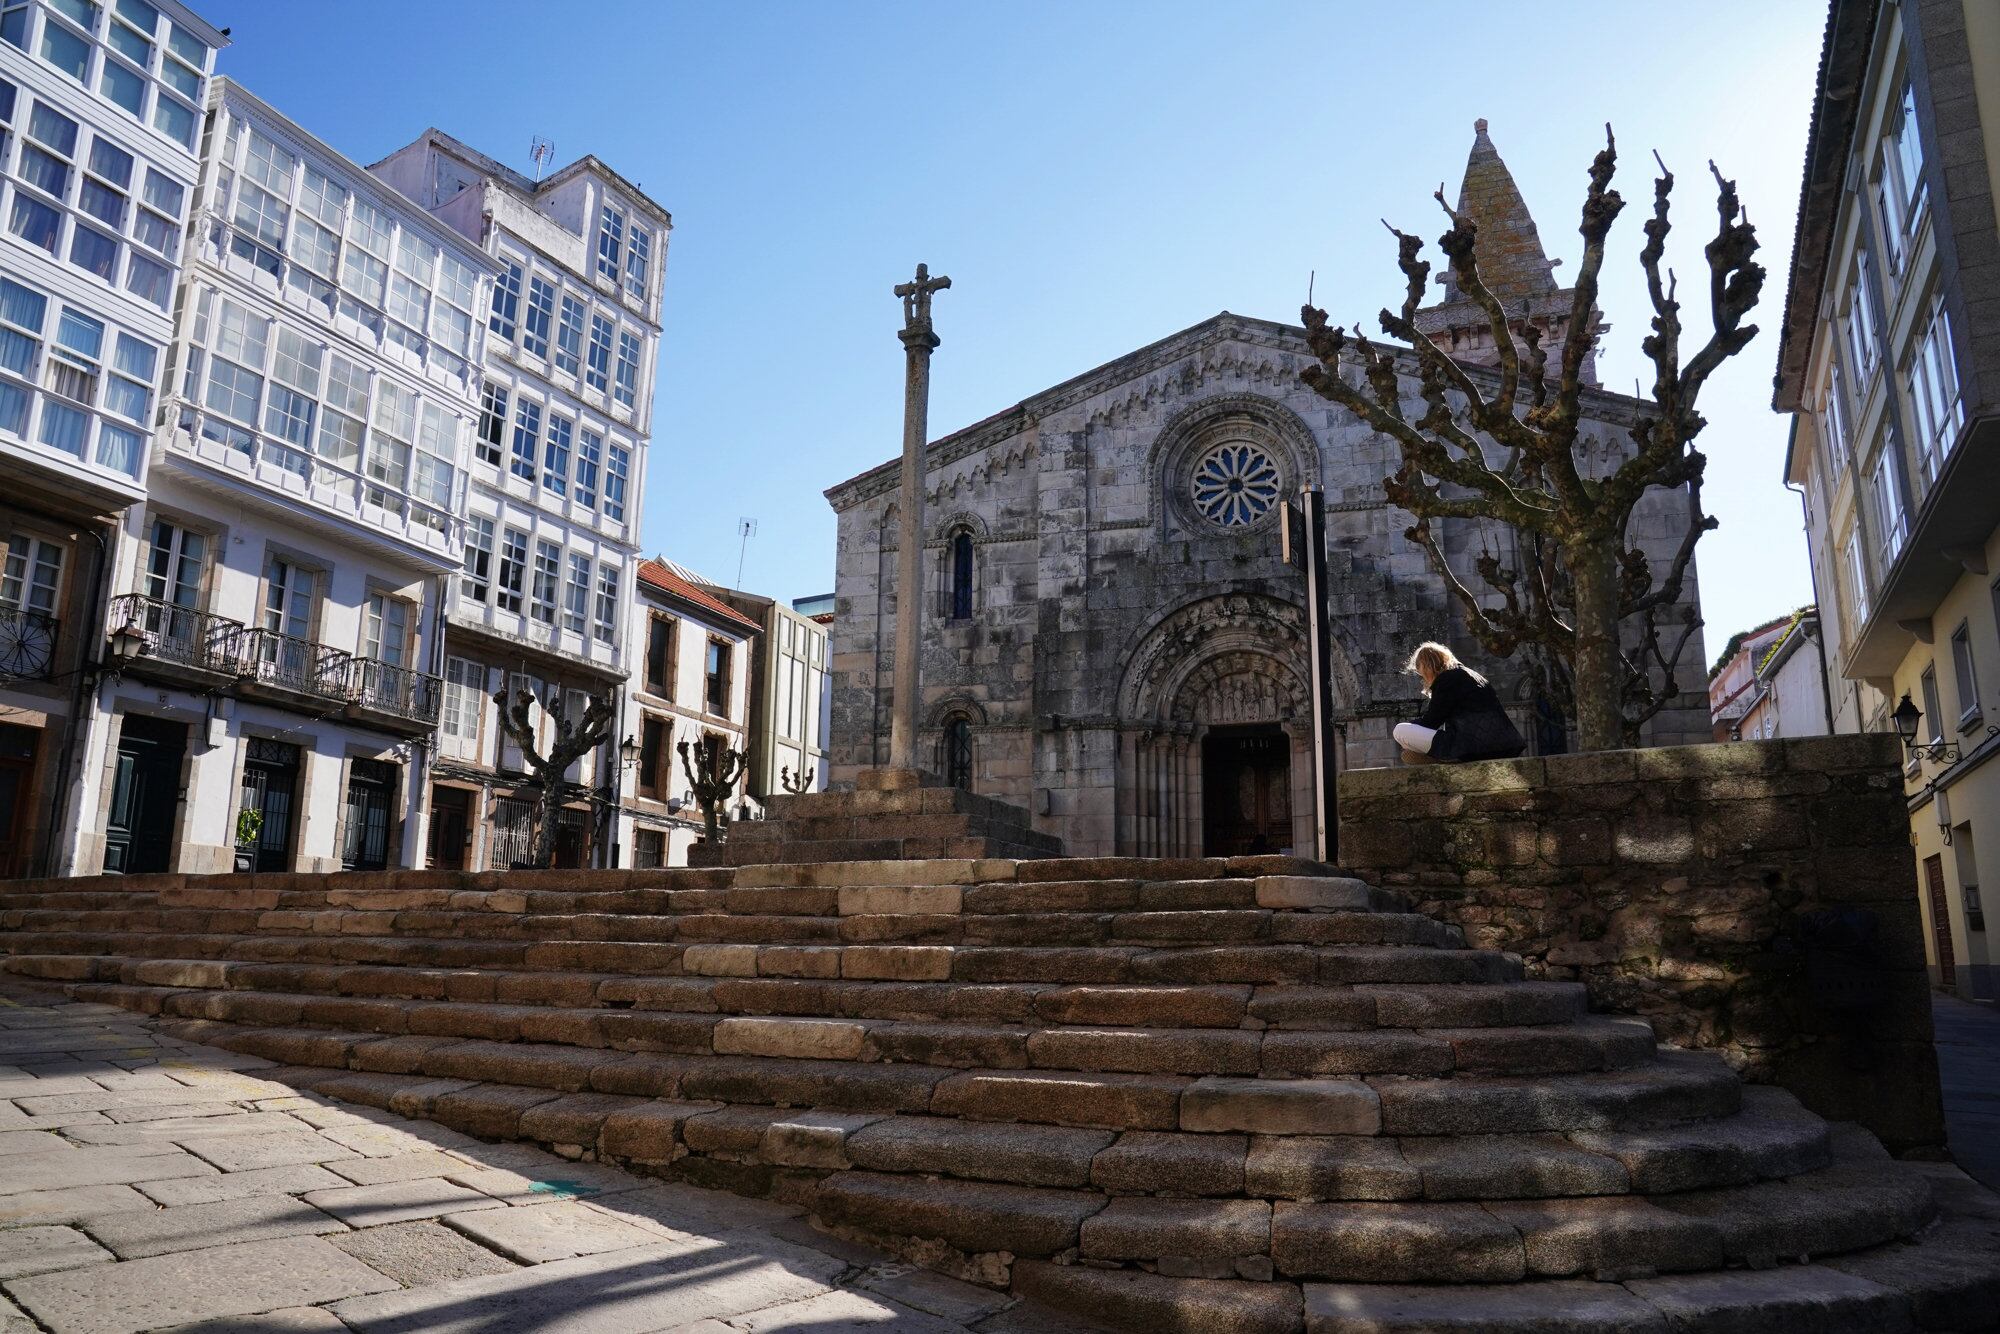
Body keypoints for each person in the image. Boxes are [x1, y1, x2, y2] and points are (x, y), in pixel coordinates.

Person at [1392, 642, 1527, 764]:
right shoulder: (1472, 675)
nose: (1424, 680)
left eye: (1422, 674)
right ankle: (1435, 755)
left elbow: (1431, 721)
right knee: (1413, 740)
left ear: (1428, 667)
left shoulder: (1447, 680)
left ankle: (1439, 757)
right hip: (1503, 746)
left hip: (1472, 747)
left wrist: (1411, 732)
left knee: (1400, 731)